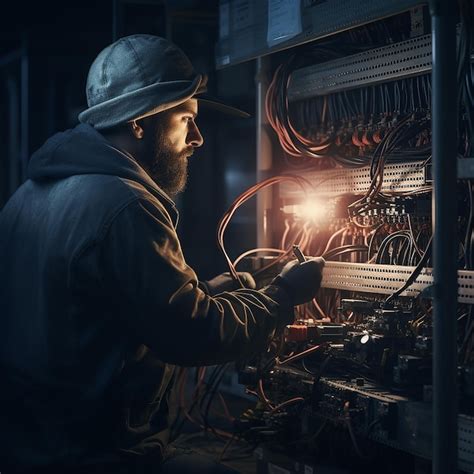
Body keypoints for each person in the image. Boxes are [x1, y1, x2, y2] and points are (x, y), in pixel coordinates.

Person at [0, 35, 325, 474]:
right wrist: (283, 296)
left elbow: (109, 311)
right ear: (139, 123)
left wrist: (223, 290)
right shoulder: (124, 205)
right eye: (185, 119)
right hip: (95, 454)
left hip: (32, 447)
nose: (197, 138)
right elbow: (190, 335)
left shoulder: (28, 196)